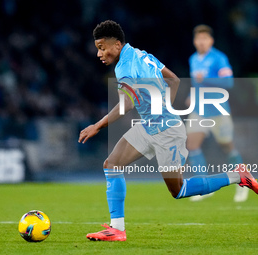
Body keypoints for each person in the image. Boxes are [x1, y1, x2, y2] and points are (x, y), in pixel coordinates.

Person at [78, 20, 258, 242]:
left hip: (167, 132)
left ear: (116, 44)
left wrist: (97, 125)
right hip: (150, 125)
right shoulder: (140, 54)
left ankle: (237, 175)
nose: (99, 53)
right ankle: (117, 229)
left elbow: (126, 104)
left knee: (179, 190)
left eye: (101, 47)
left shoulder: (125, 67)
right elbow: (173, 79)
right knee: (112, 164)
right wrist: (164, 108)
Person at [186, 24, 249, 202]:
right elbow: (196, 83)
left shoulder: (219, 58)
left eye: (205, 39)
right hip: (199, 110)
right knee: (192, 144)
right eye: (198, 39)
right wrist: (192, 95)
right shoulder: (193, 59)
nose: (201, 42)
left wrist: (205, 79)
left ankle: (243, 182)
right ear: (194, 41)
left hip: (218, 111)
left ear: (211, 41)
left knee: (227, 146)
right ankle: (205, 187)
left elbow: (228, 83)